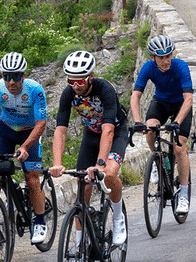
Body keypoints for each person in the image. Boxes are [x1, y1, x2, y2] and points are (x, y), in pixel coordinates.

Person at [50, 51, 128, 246]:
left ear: (91, 76)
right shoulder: (68, 93)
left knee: (109, 174)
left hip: (115, 131)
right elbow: (60, 131)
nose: (76, 86)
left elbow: (108, 130)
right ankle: (79, 240)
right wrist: (57, 164)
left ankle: (118, 219)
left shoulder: (105, 89)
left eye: (81, 81)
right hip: (91, 134)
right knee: (82, 186)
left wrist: (100, 164)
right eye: (71, 81)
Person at [130, 36, 193, 214]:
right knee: (150, 129)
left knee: (179, 147)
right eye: (161, 57)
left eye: (168, 56)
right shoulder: (148, 67)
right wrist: (137, 121)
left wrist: (177, 122)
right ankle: (158, 160)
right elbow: (135, 96)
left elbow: (189, 98)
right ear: (153, 58)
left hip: (181, 104)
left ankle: (184, 195)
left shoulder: (180, 66)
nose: (166, 61)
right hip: (161, 102)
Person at [0, 52, 48, 244]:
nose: (11, 82)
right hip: (6, 129)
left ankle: (39, 221)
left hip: (30, 131)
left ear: (23, 76)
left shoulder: (35, 90)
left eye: (15, 76)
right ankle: (11, 192)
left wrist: (25, 147)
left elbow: (41, 124)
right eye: (6, 76)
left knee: (32, 178)